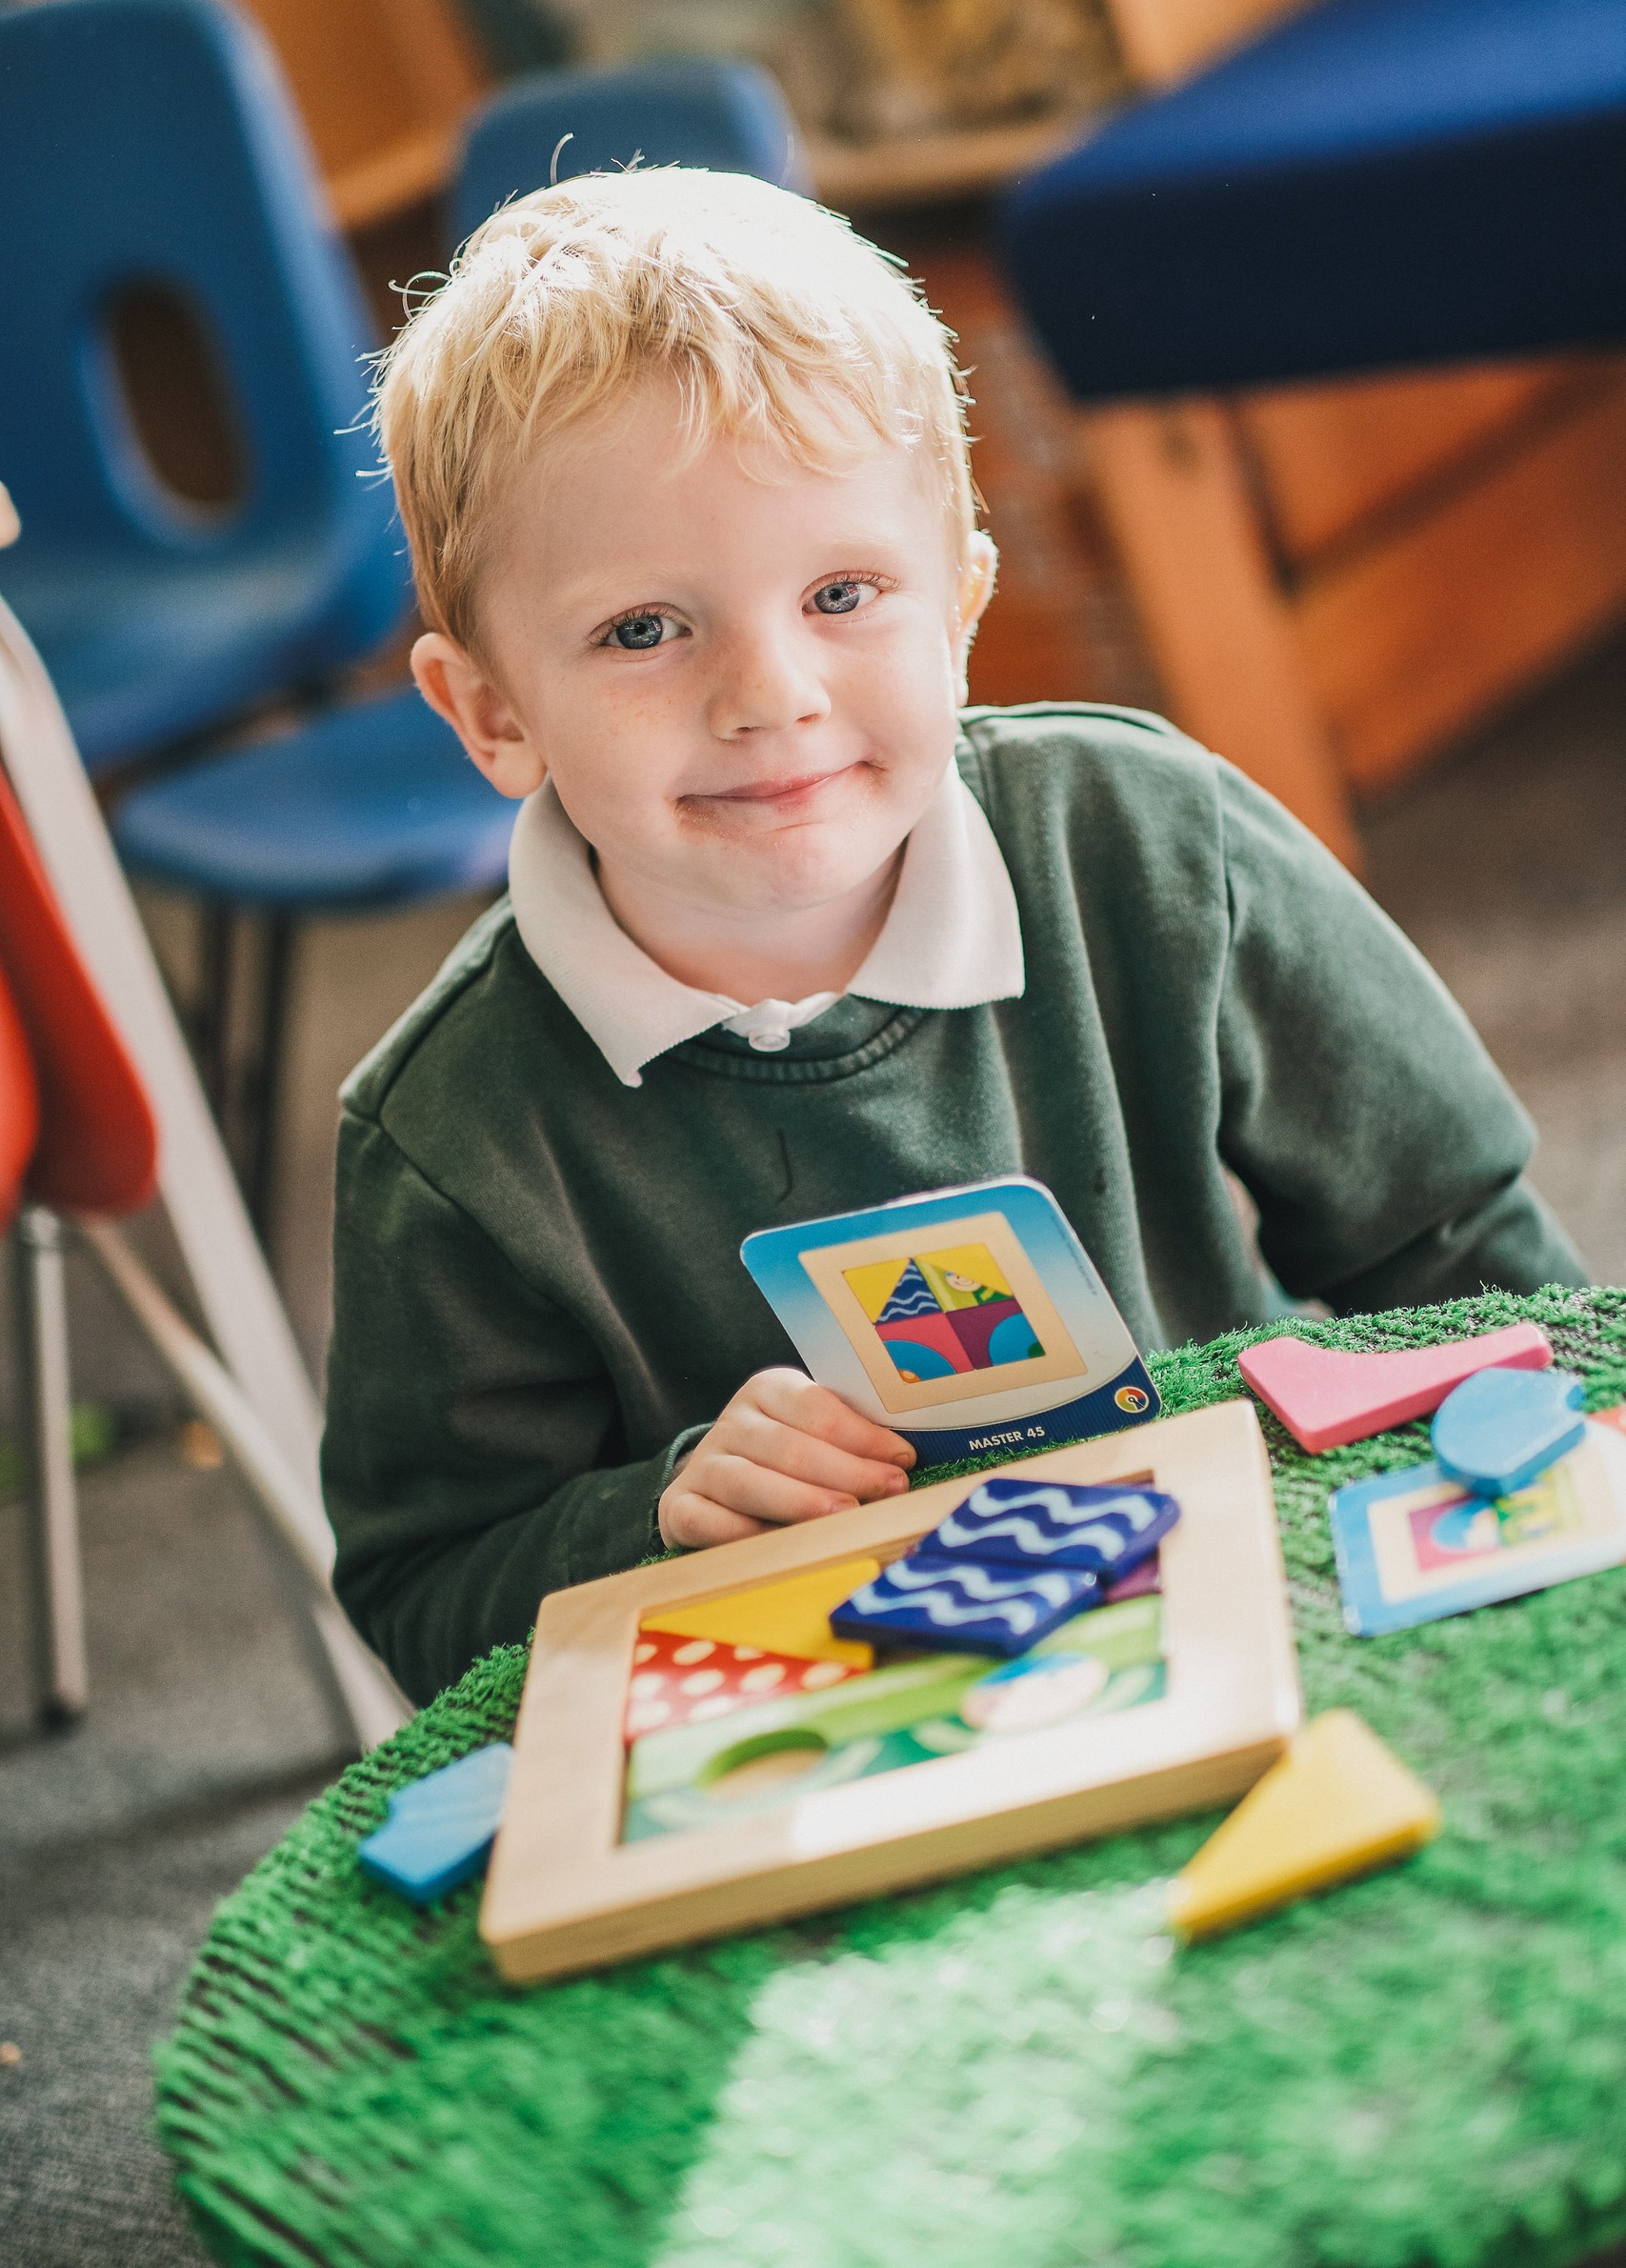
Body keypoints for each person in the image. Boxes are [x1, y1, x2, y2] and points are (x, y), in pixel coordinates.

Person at [323, 167, 1584, 1705]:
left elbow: (1462, 1252)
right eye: (642, 630)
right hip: (850, 1730)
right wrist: (646, 1515)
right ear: (493, 714)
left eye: (842, 592)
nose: (769, 692)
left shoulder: (1155, 841)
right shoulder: (445, 1133)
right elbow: (422, 1591)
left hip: (1266, 1613)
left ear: (963, 605)